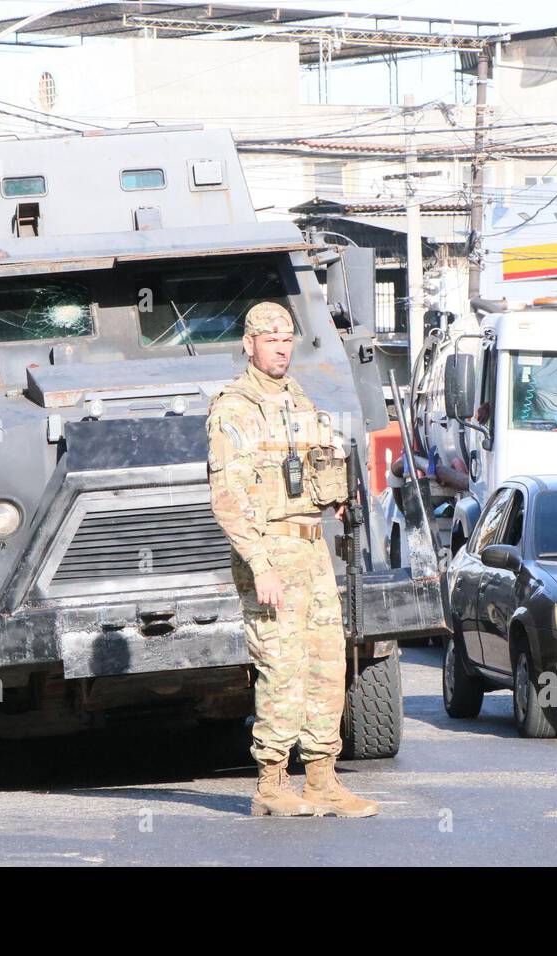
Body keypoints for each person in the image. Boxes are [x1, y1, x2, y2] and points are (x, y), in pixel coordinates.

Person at [206, 301, 378, 819]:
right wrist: (259, 565)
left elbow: (318, 465)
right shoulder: (234, 408)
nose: (281, 347)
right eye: (270, 338)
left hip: (311, 548)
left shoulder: (298, 401)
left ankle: (322, 779)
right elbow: (228, 498)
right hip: (271, 553)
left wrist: (337, 492)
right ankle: (272, 783)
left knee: (326, 664)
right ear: (249, 342)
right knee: (280, 667)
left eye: (287, 338)